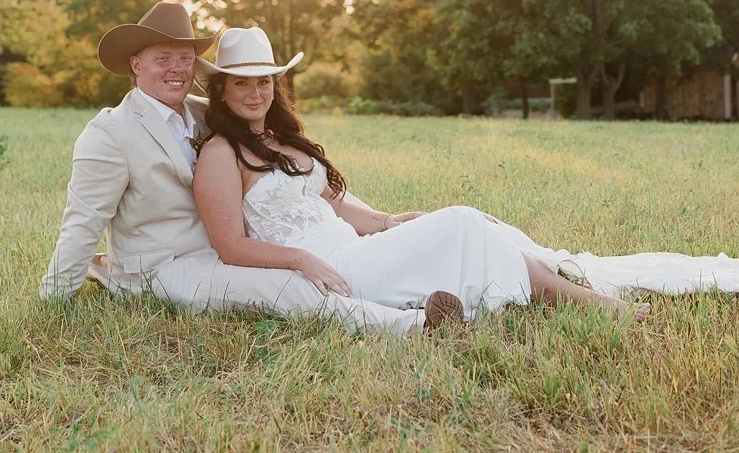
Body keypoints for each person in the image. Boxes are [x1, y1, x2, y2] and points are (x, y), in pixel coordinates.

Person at [192, 27, 653, 322]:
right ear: (221, 88)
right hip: (331, 268)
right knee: (463, 223)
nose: (255, 93)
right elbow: (230, 246)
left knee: (474, 226)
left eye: (264, 82)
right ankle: (595, 307)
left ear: (276, 86)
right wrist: (300, 260)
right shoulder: (220, 153)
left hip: (354, 247)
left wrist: (390, 221)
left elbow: (334, 204)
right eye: (242, 83)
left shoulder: (281, 139)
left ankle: (560, 291)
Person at [38, 1, 441, 335]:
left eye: (185, 59)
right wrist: (54, 303)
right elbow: (82, 222)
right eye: (163, 59)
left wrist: (381, 219)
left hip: (227, 249)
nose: (177, 69)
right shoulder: (109, 133)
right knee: (286, 284)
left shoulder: (204, 114)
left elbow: (292, 180)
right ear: (135, 65)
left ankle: (421, 291)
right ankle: (410, 328)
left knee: (330, 263)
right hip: (164, 268)